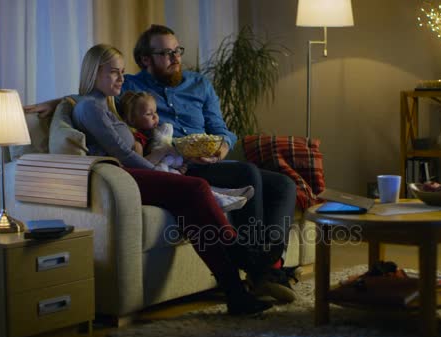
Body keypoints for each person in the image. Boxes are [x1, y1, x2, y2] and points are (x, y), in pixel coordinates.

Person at [25, 24, 298, 302]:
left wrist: (222, 149)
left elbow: (221, 128)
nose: (176, 57)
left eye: (177, 51)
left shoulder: (199, 84)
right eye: (166, 53)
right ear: (146, 59)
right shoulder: (130, 86)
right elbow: (92, 95)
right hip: (175, 163)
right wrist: (59, 101)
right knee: (243, 174)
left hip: (207, 158)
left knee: (284, 185)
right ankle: (256, 268)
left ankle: (266, 267)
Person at [71, 43, 271, 315]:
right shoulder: (90, 108)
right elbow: (123, 154)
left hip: (130, 174)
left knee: (190, 212)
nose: (121, 78)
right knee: (197, 187)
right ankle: (243, 255)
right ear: (94, 73)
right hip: (119, 178)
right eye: (114, 73)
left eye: (122, 72)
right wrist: (161, 174)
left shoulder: (105, 104)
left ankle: (236, 293)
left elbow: (74, 101)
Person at [119, 90, 254, 212]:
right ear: (133, 119)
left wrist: (179, 165)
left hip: (170, 170)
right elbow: (140, 169)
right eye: (149, 114)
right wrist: (163, 151)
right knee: (194, 184)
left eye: (155, 112)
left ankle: (227, 194)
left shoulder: (155, 135)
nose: (155, 117)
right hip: (158, 179)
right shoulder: (137, 142)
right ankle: (220, 199)